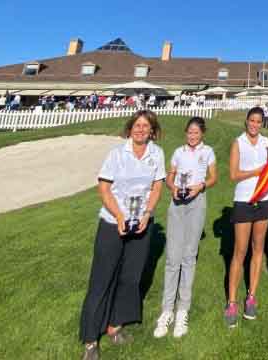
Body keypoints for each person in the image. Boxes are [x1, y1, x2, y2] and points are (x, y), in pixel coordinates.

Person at [79, 110, 165, 360]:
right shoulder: (117, 154)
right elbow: (104, 188)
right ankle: (90, 340)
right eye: (137, 125)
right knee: (102, 279)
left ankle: (115, 325)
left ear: (152, 130)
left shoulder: (156, 153)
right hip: (112, 222)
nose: (141, 130)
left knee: (131, 277)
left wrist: (148, 213)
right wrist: (118, 216)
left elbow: (157, 185)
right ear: (130, 129)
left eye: (145, 126)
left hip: (141, 224)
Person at [153, 117, 217, 338]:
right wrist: (173, 187)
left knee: (189, 256)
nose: (192, 136)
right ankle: (166, 310)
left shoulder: (207, 151)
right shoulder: (178, 152)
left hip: (196, 202)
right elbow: (169, 177)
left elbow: (213, 177)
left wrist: (200, 186)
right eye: (189, 132)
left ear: (202, 134)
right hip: (177, 202)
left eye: (196, 133)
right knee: (172, 258)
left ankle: (182, 310)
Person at [224, 107, 268, 328]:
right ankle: (232, 302)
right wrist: (257, 171)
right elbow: (233, 175)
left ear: (262, 124)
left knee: (258, 248)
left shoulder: (267, 143)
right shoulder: (238, 143)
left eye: (258, 121)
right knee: (239, 251)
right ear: (246, 122)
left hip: (265, 200)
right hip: (244, 200)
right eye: (252, 121)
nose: (255, 125)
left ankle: (251, 296)